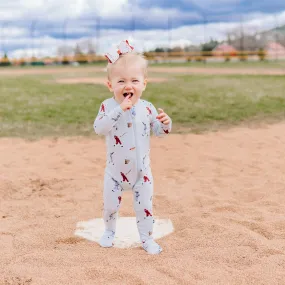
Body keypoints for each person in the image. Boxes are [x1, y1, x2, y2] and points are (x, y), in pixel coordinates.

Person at [93, 40, 172, 254]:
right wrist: (119, 110)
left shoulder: (147, 108)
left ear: (144, 83)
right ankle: (109, 231)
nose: (128, 86)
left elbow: (159, 133)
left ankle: (146, 239)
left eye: (134, 81)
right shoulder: (107, 106)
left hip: (142, 172)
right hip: (114, 172)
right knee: (110, 206)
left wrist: (165, 123)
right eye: (121, 81)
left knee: (145, 208)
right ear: (110, 85)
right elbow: (99, 128)